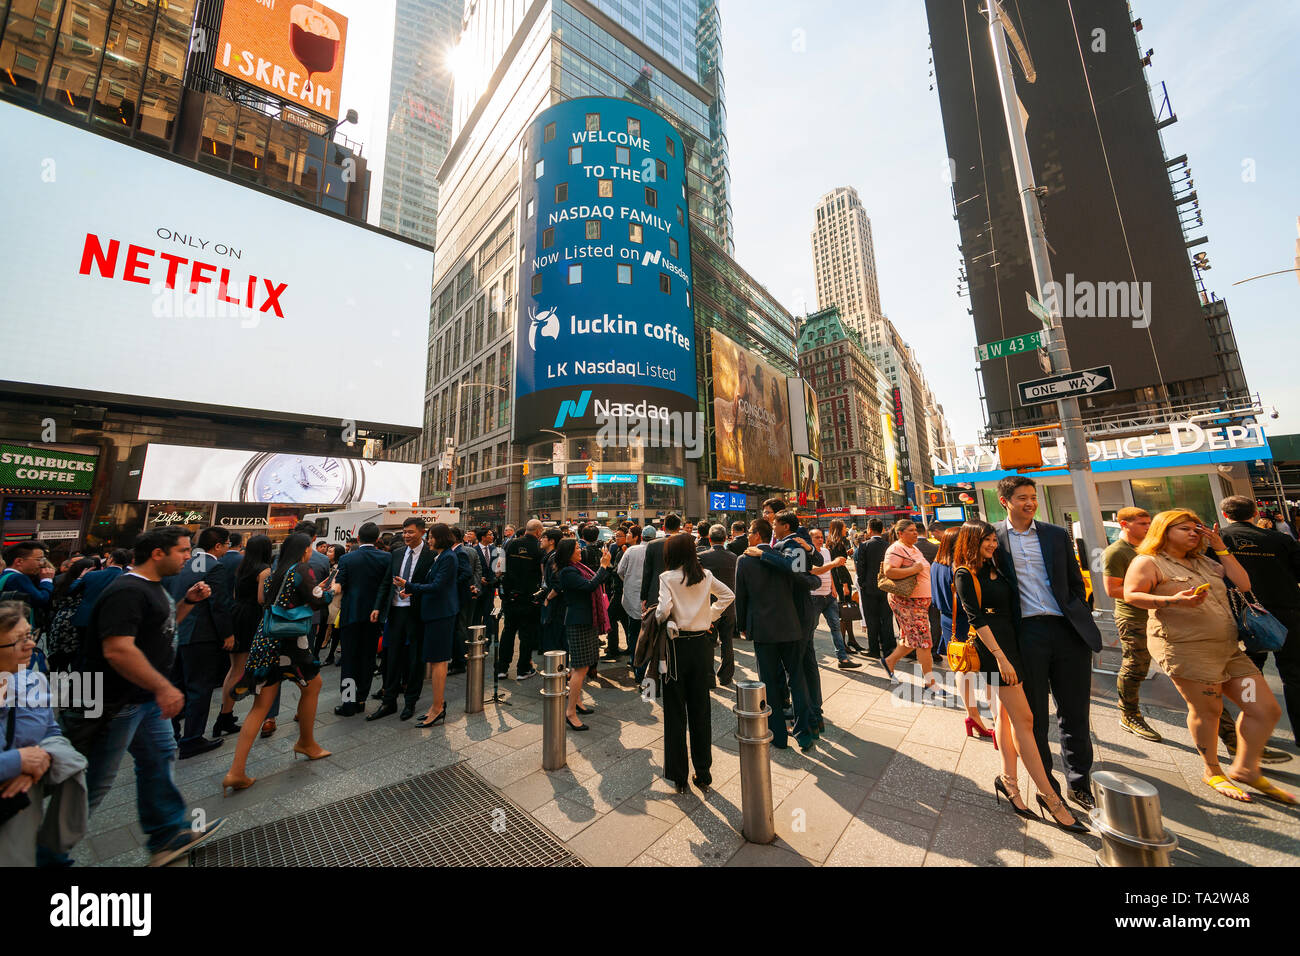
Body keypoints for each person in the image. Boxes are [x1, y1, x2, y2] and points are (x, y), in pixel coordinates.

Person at [76, 526, 227, 866]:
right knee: (95, 780)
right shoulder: (127, 590)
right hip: (116, 702)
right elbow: (117, 649)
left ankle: (166, 834)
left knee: (160, 755)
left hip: (141, 701)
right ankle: (48, 853)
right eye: (183, 551)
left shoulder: (151, 588)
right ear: (157, 553)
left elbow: (163, 625)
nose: (189, 557)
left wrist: (188, 602)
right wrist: (163, 686)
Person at [1124, 510, 1293, 804]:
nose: (1193, 533)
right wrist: (1171, 600)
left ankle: (1245, 767)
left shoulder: (1205, 560)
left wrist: (1221, 547)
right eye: (1185, 528)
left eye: (1196, 528)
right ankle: (1212, 769)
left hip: (1228, 650)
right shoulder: (1148, 561)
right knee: (1209, 710)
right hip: (1186, 649)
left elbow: (1243, 584)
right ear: (1164, 531)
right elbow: (1132, 595)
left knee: (1264, 708)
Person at [952, 523, 1087, 833]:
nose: (992, 545)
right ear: (971, 542)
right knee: (1025, 721)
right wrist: (1000, 658)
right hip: (995, 652)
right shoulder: (964, 573)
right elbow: (976, 618)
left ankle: (1009, 782)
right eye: (985, 541)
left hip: (1015, 647)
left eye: (992, 540)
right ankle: (1049, 796)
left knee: (1006, 717)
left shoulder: (995, 565)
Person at [994, 476, 1102, 811]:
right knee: (1035, 718)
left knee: (1075, 712)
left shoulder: (1055, 534)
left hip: (1067, 631)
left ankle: (1079, 781)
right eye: (1022, 498)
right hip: (1025, 636)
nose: (1029, 503)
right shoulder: (992, 538)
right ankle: (1048, 785)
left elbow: (1074, 580)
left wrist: (1079, 613)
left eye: (1033, 497)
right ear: (1005, 501)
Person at [223, 533, 335, 796]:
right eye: (309, 548)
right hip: (290, 642)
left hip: (265, 640)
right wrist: (332, 591)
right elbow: (318, 598)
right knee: (313, 685)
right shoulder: (301, 569)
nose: (310, 552)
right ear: (304, 550)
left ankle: (236, 771)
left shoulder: (274, 572)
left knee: (260, 705)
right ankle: (306, 742)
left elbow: (264, 601)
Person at [0, 602, 90, 867]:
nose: (31, 646)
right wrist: (17, 762)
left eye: (29, 635)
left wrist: (39, 757)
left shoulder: (32, 680)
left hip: (22, 808)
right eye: (17, 641)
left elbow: (50, 731)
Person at [1219, 495, 1300, 758]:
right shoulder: (1280, 539)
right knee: (1294, 675)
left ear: (1225, 514)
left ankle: (1256, 729)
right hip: (1286, 612)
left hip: (1244, 617)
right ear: (1254, 512)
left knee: (1250, 673)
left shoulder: (1220, 540)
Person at [656, 533, 734, 792]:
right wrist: (709, 616)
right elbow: (728, 596)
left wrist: (667, 618)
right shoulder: (705, 575)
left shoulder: (667, 578)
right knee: (701, 710)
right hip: (702, 646)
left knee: (675, 711)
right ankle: (703, 771)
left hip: (677, 648)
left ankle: (679, 774)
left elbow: (662, 611)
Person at [734, 518, 816, 750]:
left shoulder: (745, 560)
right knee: (797, 678)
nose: (747, 536)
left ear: (758, 535)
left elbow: (741, 597)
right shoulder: (784, 557)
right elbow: (801, 580)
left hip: (763, 629)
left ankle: (778, 735)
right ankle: (804, 733)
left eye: (750, 532)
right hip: (790, 625)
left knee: (768, 681)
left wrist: (741, 626)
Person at [165, 526, 236, 758]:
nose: (227, 549)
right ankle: (192, 738)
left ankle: (172, 734)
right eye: (226, 544)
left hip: (176, 631)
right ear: (217, 546)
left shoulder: (177, 565)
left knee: (176, 684)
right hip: (201, 635)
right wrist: (227, 634)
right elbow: (218, 604)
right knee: (199, 688)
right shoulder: (214, 566)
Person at [1102, 507, 1162, 742]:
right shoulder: (1116, 552)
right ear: (1124, 524)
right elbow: (1112, 589)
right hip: (1133, 618)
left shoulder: (1151, 548)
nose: (1148, 527)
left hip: (1161, 616)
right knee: (1136, 666)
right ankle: (1129, 714)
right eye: (1142, 523)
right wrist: (1154, 595)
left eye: (1149, 523)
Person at [933, 526, 995, 741]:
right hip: (967, 622)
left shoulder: (935, 565)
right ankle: (994, 714)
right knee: (987, 667)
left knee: (962, 668)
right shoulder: (959, 568)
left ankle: (973, 715)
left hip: (947, 619)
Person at [371, 518, 435, 721]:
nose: (406, 535)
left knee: (415, 659)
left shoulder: (431, 556)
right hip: (395, 611)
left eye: (411, 532)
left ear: (423, 532)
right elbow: (385, 583)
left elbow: (433, 586)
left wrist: (414, 592)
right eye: (405, 531)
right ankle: (388, 701)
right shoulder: (397, 553)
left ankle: (410, 702)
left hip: (416, 614)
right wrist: (377, 607)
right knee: (391, 657)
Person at [332, 522, 391, 717]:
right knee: (367, 658)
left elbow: (340, 585)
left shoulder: (348, 559)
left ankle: (348, 702)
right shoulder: (386, 558)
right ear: (377, 540)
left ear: (358, 538)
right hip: (374, 616)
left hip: (351, 614)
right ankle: (362, 699)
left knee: (349, 659)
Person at [218, 533, 274, 738]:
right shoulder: (264, 570)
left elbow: (234, 594)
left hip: (237, 613)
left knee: (234, 669)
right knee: (242, 668)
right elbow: (261, 599)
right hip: (252, 617)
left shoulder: (242, 567)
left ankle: (225, 713)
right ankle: (225, 717)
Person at [406, 523, 461, 728]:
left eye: (431, 537)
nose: (428, 540)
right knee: (436, 660)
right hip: (436, 614)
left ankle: (438, 708)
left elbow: (438, 586)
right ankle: (436, 706)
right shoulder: (441, 556)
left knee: (439, 661)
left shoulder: (448, 557)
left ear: (441, 538)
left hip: (441, 614)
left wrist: (409, 586)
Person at [554, 538, 611, 731]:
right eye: (577, 548)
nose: (580, 550)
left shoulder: (576, 566)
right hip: (578, 621)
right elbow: (589, 586)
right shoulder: (568, 571)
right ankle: (570, 712)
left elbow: (594, 581)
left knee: (583, 665)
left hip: (585, 619)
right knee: (580, 667)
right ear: (568, 551)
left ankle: (577, 701)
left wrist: (604, 567)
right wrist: (603, 566)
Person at [881, 520, 935, 692]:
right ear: (900, 533)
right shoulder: (896, 548)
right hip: (906, 601)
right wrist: (914, 569)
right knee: (924, 641)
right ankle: (930, 682)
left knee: (911, 639)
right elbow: (889, 571)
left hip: (919, 601)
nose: (914, 533)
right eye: (910, 530)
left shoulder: (913, 548)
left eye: (915, 530)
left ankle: (889, 661)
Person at [498, 520, 545, 680]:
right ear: (538, 531)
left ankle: (502, 668)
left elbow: (500, 567)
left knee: (508, 631)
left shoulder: (510, 544)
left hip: (510, 595)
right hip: (529, 596)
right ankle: (523, 669)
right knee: (527, 634)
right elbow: (542, 572)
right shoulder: (538, 548)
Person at [808, 527, 859, 669]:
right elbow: (814, 570)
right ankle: (808, 659)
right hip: (814, 597)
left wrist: (833, 588)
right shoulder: (807, 554)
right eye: (816, 537)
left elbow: (829, 571)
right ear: (810, 539)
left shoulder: (825, 551)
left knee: (836, 627)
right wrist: (834, 563)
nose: (820, 540)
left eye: (821, 537)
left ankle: (843, 659)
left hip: (829, 597)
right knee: (811, 628)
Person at [698, 524, 739, 686]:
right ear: (725, 539)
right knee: (727, 641)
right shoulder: (734, 557)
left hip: (709, 607)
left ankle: (709, 677)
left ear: (709, 539)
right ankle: (726, 676)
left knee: (708, 642)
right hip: (729, 606)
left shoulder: (702, 557)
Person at [854, 518, 896, 666]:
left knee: (871, 619)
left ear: (869, 529)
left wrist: (862, 584)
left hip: (869, 588)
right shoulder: (888, 546)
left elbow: (861, 567)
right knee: (886, 618)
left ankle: (874, 649)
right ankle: (889, 648)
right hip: (886, 587)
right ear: (882, 529)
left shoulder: (864, 545)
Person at [619, 526, 653, 682]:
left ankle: (634, 661)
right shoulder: (658, 550)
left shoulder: (631, 551)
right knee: (649, 634)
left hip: (632, 597)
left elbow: (620, 570)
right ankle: (647, 667)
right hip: (651, 600)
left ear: (641, 537)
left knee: (633, 633)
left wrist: (628, 581)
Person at [827, 518, 865, 654]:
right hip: (841, 580)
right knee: (844, 611)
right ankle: (843, 643)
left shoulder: (832, 542)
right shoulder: (838, 543)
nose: (846, 528)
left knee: (846, 611)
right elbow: (839, 566)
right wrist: (844, 585)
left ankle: (852, 640)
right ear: (838, 528)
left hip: (838, 579)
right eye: (843, 526)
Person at [0, 542, 54, 632]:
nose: (42, 564)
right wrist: (46, 580)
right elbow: (41, 599)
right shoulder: (18, 578)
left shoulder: (5, 575)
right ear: (19, 561)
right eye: (39, 559)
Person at [448, 527, 481, 676]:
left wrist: (469, 587)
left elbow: (470, 572)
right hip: (468, 593)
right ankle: (460, 657)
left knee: (459, 627)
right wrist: (475, 587)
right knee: (464, 625)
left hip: (461, 594)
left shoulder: (460, 552)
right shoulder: (471, 550)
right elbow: (477, 572)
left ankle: (459, 660)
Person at [640, 513, 682, 610]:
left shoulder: (653, 545)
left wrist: (644, 597)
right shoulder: (686, 545)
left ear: (663, 528)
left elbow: (647, 573)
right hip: (680, 595)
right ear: (679, 528)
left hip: (656, 594)